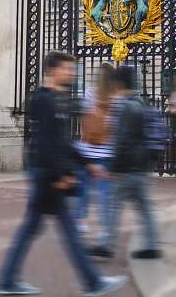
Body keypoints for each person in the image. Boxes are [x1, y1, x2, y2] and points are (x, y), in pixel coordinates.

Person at [0, 51, 126, 297]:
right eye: (67, 69)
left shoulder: (57, 98)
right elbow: (45, 143)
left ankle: (8, 279)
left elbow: (63, 142)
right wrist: (60, 175)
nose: (72, 73)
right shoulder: (43, 100)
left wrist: (88, 164)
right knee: (63, 230)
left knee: (38, 228)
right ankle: (92, 282)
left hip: (47, 174)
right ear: (53, 70)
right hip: (47, 176)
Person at [90, 65, 161, 260]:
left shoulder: (124, 105)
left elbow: (121, 139)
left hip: (126, 167)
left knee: (114, 205)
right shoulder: (140, 102)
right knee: (144, 208)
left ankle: (107, 244)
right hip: (140, 165)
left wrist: (113, 167)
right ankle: (152, 244)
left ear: (118, 83)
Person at [75, 63, 116, 237]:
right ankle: (104, 228)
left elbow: (84, 122)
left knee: (83, 189)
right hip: (107, 151)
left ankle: (81, 221)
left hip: (88, 149)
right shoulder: (116, 97)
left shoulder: (89, 93)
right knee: (105, 193)